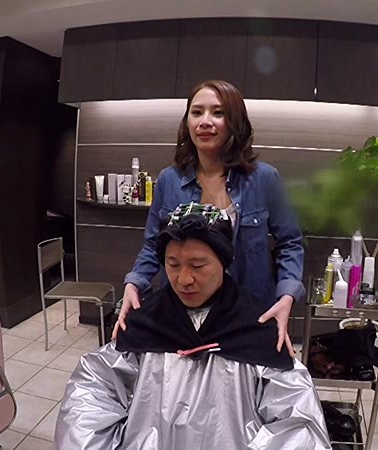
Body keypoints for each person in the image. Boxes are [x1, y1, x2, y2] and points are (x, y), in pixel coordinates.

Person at [54, 204, 329, 449]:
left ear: (223, 262)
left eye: (198, 265)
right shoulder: (145, 323)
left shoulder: (257, 328)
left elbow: (298, 423)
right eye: (173, 264)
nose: (184, 279)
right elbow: (92, 392)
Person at [114, 80, 304, 356]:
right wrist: (134, 282)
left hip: (248, 314)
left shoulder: (265, 179)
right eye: (196, 112)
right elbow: (154, 244)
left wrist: (286, 296)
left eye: (218, 113)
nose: (205, 121)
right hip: (183, 316)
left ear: (235, 121)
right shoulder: (169, 180)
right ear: (187, 122)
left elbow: (290, 243)